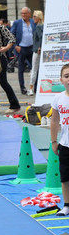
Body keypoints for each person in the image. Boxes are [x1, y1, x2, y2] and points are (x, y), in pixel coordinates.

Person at [50, 63, 69, 216]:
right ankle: (67, 205)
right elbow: (55, 121)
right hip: (65, 144)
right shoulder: (58, 98)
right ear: (61, 80)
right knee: (65, 177)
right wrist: (54, 141)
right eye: (66, 76)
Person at [11, 7, 36, 94]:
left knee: (34, 67)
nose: (23, 15)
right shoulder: (17, 23)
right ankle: (23, 88)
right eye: (22, 13)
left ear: (29, 14)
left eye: (25, 13)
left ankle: (34, 86)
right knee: (21, 69)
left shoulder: (33, 22)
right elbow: (11, 35)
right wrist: (15, 46)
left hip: (32, 48)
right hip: (21, 48)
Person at [28, 10, 44, 96]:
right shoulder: (42, 25)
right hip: (39, 49)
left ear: (39, 17)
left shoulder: (38, 26)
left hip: (37, 50)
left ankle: (30, 88)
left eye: (35, 16)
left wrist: (39, 47)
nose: (33, 18)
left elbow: (41, 37)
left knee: (34, 69)